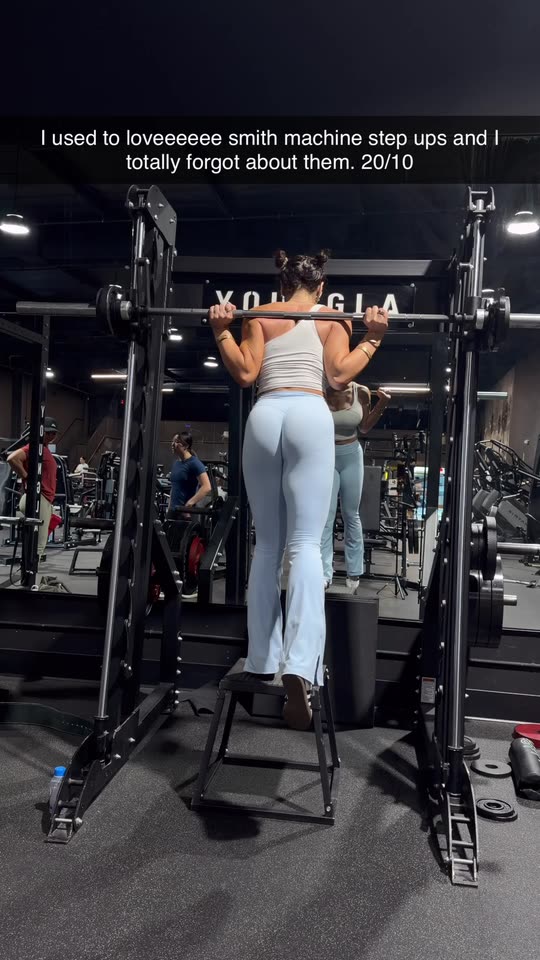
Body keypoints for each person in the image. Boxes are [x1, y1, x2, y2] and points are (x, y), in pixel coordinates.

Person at [209, 250, 389, 730]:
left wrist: (221, 330)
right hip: (310, 413)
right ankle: (299, 664)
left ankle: (262, 658)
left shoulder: (259, 314)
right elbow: (338, 376)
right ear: (321, 285)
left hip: (267, 415)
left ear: (282, 283)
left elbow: (245, 374)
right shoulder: (332, 318)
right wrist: (373, 337)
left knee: (268, 545)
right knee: (307, 544)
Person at [322, 384, 391, 590]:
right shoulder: (319, 388)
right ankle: (324, 572)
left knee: (351, 514)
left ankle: (354, 571)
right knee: (326, 516)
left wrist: (382, 403)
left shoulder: (360, 391)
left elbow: (365, 427)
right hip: (325, 454)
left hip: (351, 455)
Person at [7, 416, 59, 562]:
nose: (51, 435)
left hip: (44, 499)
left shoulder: (44, 449)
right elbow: (12, 458)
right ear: (41, 432)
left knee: (44, 531)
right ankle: (32, 573)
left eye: (54, 433)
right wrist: (27, 477)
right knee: (39, 546)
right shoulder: (34, 447)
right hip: (39, 498)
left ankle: (29, 566)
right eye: (48, 433)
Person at [169, 432, 211, 514]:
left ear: (186, 446)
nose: (173, 444)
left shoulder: (194, 463)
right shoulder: (176, 463)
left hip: (185, 513)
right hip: (173, 511)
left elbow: (207, 487)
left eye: (177, 442)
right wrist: (169, 508)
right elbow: (173, 488)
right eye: (172, 441)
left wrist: (189, 504)